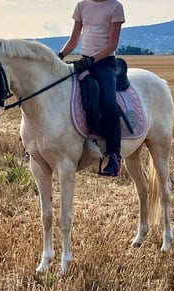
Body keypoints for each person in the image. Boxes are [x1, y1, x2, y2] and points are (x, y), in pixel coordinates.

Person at [58, 0, 125, 177]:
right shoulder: (81, 6)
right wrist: (59, 56)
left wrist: (92, 60)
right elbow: (73, 40)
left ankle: (114, 156)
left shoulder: (115, 7)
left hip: (105, 64)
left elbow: (112, 45)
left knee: (109, 103)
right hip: (85, 62)